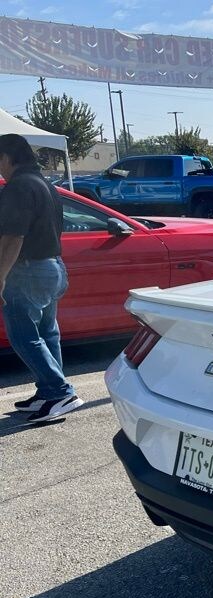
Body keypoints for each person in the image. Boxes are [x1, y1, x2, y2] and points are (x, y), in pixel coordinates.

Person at [0, 133, 82, 423]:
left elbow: (13, 236)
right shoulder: (45, 184)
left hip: (27, 270)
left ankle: (59, 392)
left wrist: (0, 275)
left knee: (23, 336)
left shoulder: (19, 186)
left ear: (7, 158)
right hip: (52, 266)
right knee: (47, 333)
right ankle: (49, 392)